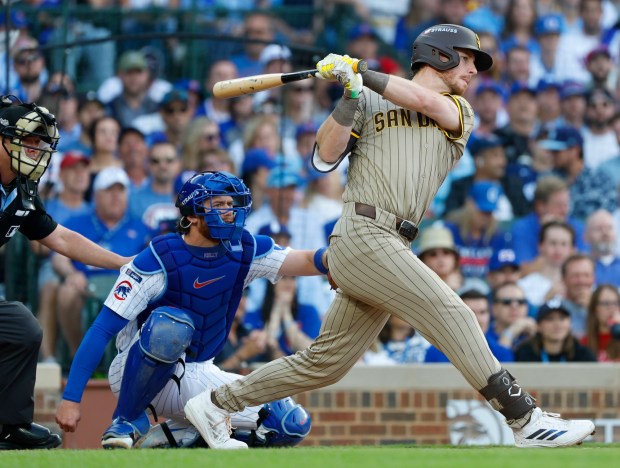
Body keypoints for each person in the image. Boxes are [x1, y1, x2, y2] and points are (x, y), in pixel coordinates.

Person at [180, 25, 595, 449]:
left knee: (325, 364)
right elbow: (324, 157)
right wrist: (350, 93)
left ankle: (215, 404)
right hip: (363, 232)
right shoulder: (368, 97)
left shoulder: (458, 110)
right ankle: (525, 418)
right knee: (453, 312)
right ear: (442, 55)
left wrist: (361, 69)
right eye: (468, 59)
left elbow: (421, 99)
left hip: (394, 241)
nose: (473, 70)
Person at [55, 171, 327, 449]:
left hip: (198, 372)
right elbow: (101, 329)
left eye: (231, 204)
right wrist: (71, 398)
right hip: (136, 372)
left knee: (289, 422)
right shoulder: (159, 256)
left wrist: (333, 261)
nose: (229, 211)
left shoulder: (244, 248)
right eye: (219, 204)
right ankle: (127, 419)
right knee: (172, 325)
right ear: (193, 214)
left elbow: (304, 260)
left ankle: (176, 438)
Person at [0, 98, 130, 450]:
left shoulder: (22, 190)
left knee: (22, 328)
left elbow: (61, 238)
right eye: (28, 141)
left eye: (41, 144)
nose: (36, 150)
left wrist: (121, 261)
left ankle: (10, 427)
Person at [514, 298, 597, 363]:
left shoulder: (583, 355)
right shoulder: (525, 353)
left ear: (570, 324)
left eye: (562, 318)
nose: (557, 324)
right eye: (550, 319)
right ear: (538, 326)